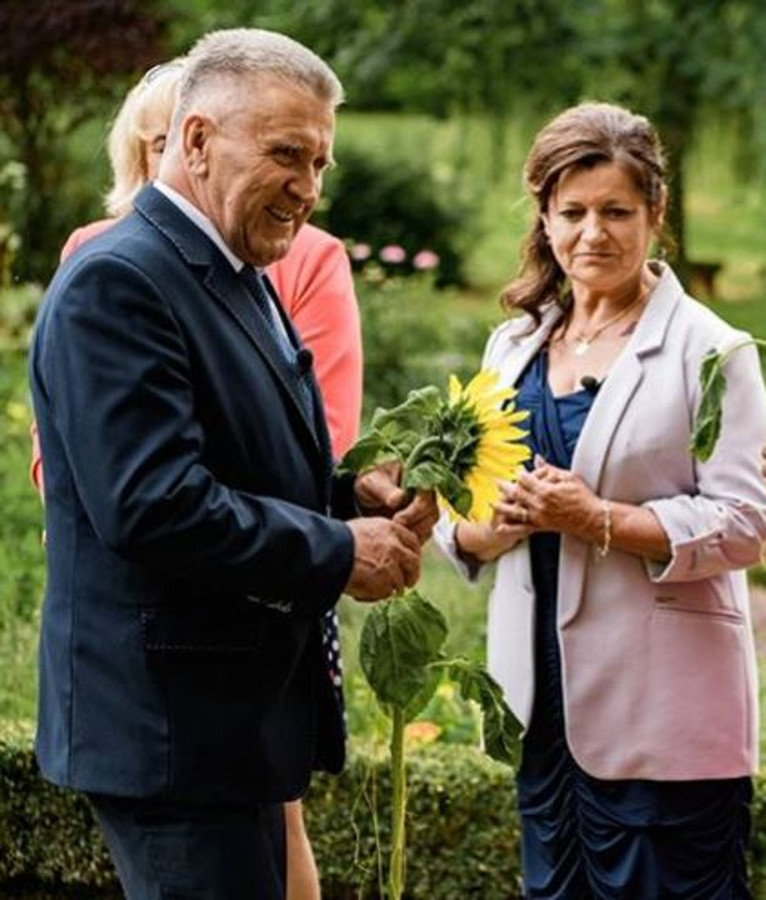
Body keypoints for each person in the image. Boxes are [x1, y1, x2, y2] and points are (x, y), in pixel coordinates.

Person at [29, 28, 438, 900]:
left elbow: (235, 459)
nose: (309, 188)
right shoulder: (120, 281)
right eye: (288, 154)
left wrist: (347, 493)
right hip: (170, 737)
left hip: (232, 728)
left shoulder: (233, 264)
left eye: (321, 162)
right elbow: (152, 504)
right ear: (197, 139)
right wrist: (339, 551)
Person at [436, 102, 766, 898]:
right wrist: (486, 530)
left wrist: (598, 521)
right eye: (572, 212)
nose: (594, 234)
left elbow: (748, 524)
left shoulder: (714, 352)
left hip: (662, 713)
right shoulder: (511, 345)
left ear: (656, 213)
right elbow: (462, 505)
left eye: (617, 211)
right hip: (540, 706)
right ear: (544, 217)